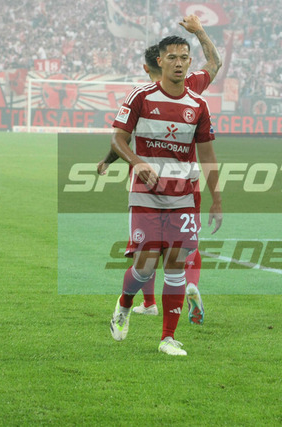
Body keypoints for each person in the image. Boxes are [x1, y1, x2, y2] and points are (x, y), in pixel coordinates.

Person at [98, 15, 222, 325]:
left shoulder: (191, 94)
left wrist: (109, 161)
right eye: (172, 58)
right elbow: (215, 63)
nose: (178, 64)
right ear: (160, 62)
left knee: (163, 254)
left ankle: (158, 310)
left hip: (175, 187)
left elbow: (122, 140)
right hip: (165, 187)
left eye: (183, 58)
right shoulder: (146, 95)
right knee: (165, 252)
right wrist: (200, 31)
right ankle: (181, 286)